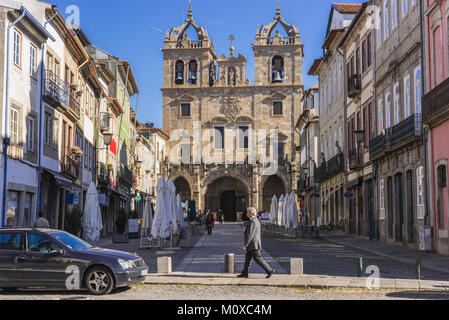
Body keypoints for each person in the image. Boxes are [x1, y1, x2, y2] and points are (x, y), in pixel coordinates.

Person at [238, 207, 275, 279]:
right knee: (247, 259)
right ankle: (245, 273)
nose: (246, 213)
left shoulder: (253, 221)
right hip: (253, 244)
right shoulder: (253, 220)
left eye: (248, 212)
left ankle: (269, 270)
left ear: (252, 213)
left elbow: (250, 234)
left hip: (253, 244)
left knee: (258, 258)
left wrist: (246, 244)